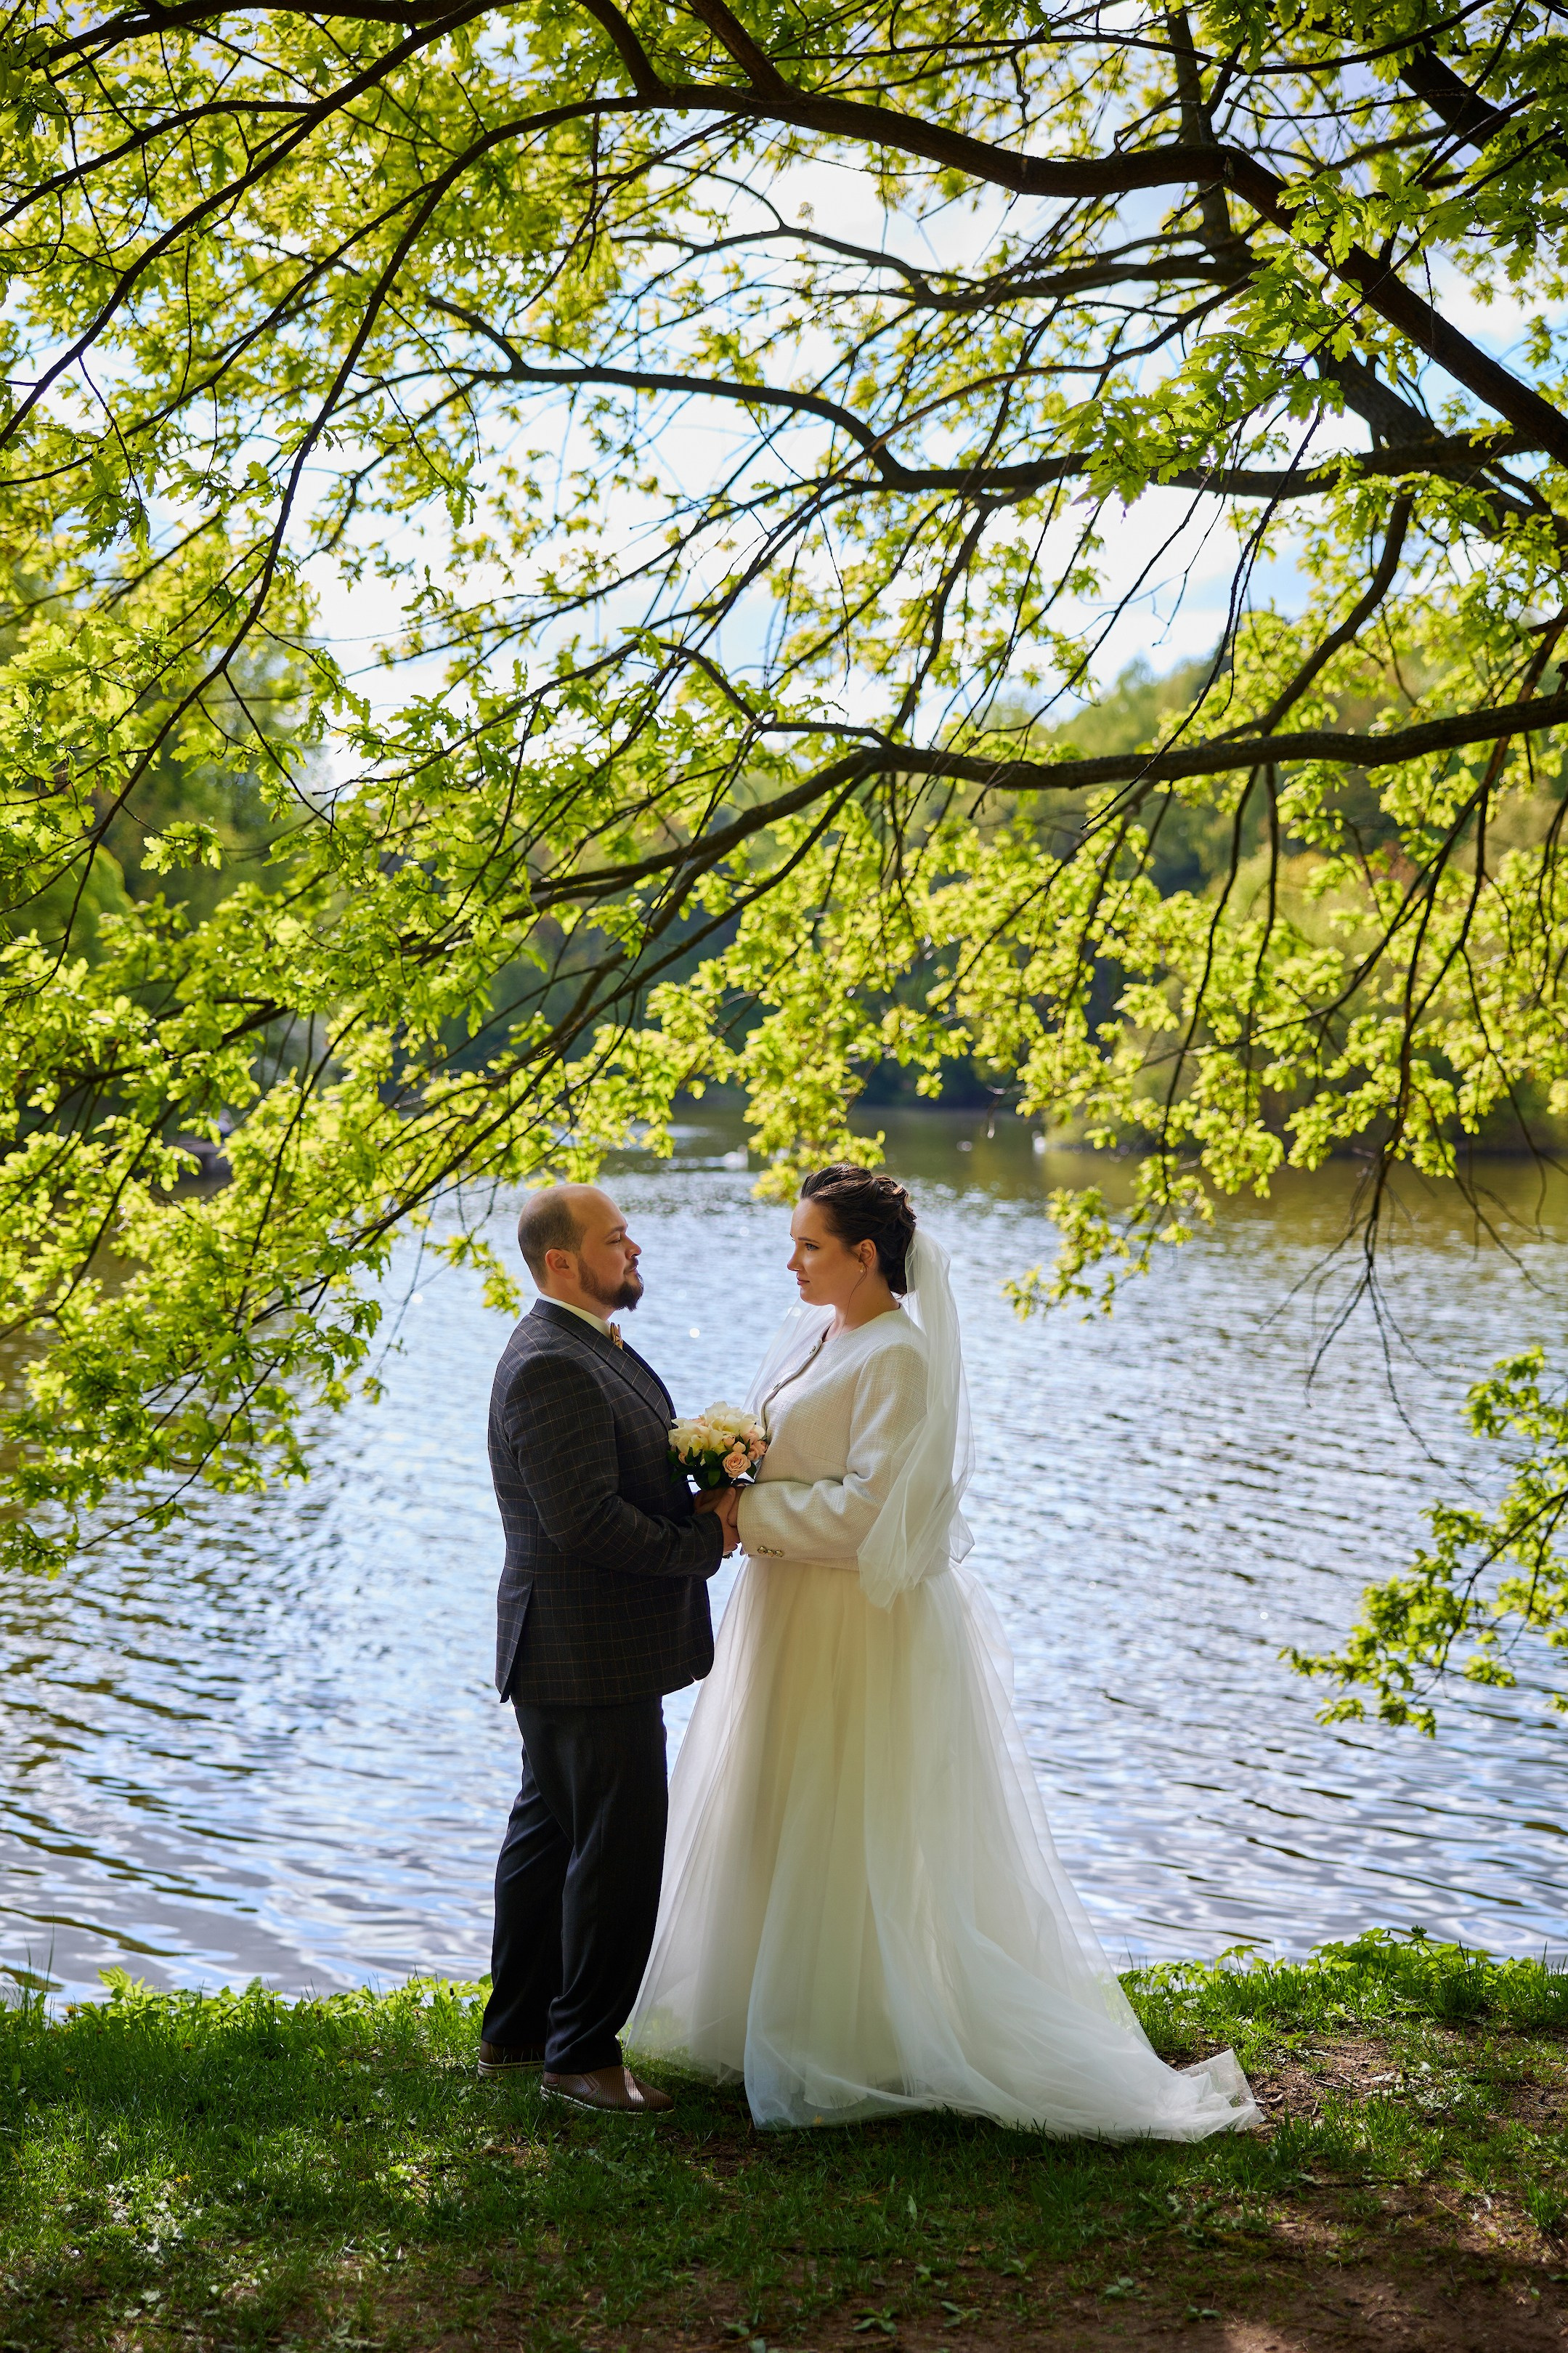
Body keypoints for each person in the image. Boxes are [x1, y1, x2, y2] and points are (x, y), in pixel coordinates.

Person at [628, 1165, 1258, 2137]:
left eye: (809, 1244)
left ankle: (846, 2031)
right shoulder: (815, 1330)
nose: (790, 1260)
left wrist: (748, 1508)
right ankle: (753, 2005)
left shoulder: (899, 1358)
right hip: (786, 1606)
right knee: (769, 1794)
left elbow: (876, 1511)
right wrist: (729, 1466)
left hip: (849, 1620)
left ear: (864, 1255)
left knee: (842, 1814)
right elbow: (794, 1448)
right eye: (794, 1241)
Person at [479, 1182, 736, 2115]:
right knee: (616, 1849)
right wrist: (706, 1543)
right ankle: (581, 2055)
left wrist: (709, 1477)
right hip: (582, 1650)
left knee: (551, 1834)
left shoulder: (589, 1342)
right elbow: (585, 1522)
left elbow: (622, 1474)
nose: (634, 1250)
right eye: (615, 1239)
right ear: (560, 1260)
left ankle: (516, 2033)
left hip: (581, 1649)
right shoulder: (551, 1361)